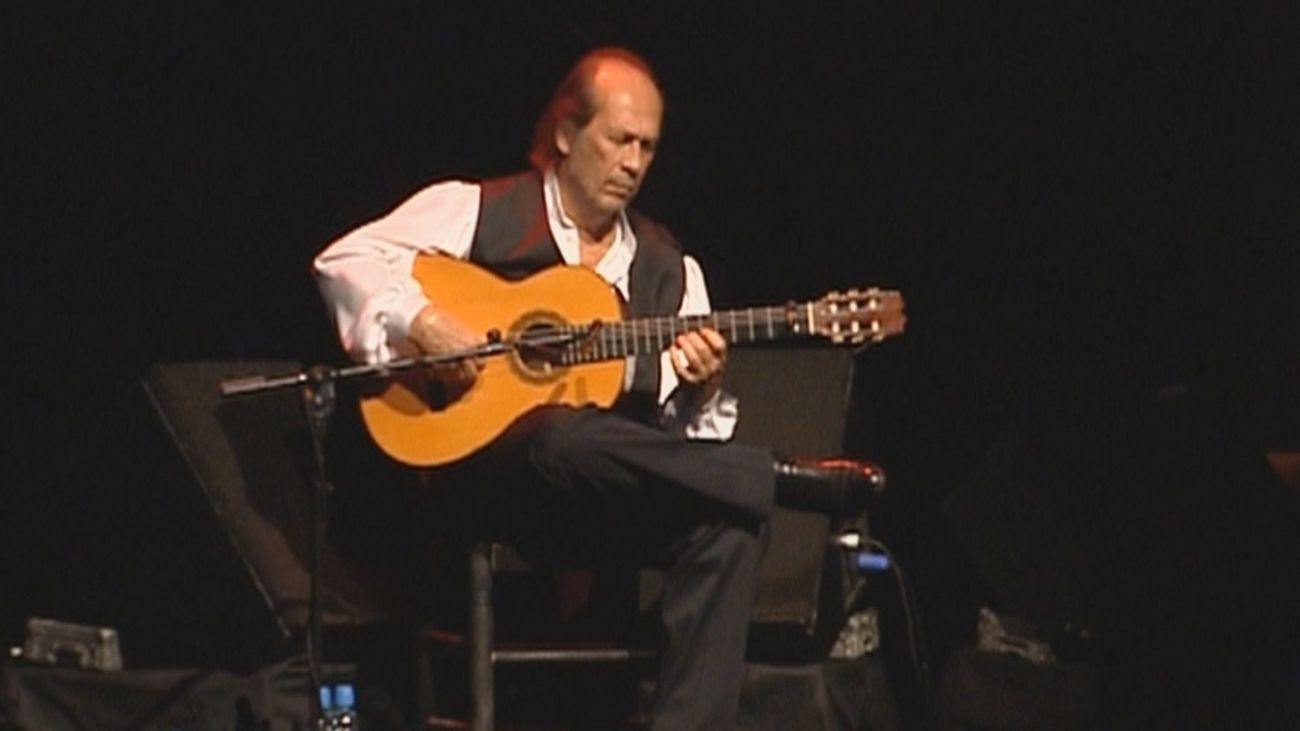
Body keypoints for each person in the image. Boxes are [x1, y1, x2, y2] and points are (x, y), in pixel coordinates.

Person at [314, 47, 881, 731]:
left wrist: (700, 392)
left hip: (596, 499)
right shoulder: (480, 210)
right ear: (565, 134)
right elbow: (343, 259)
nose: (634, 161)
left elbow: (681, 454)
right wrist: (423, 320)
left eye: (648, 146)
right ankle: (775, 475)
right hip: (484, 480)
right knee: (559, 430)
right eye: (619, 139)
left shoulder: (672, 273)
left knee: (728, 522)